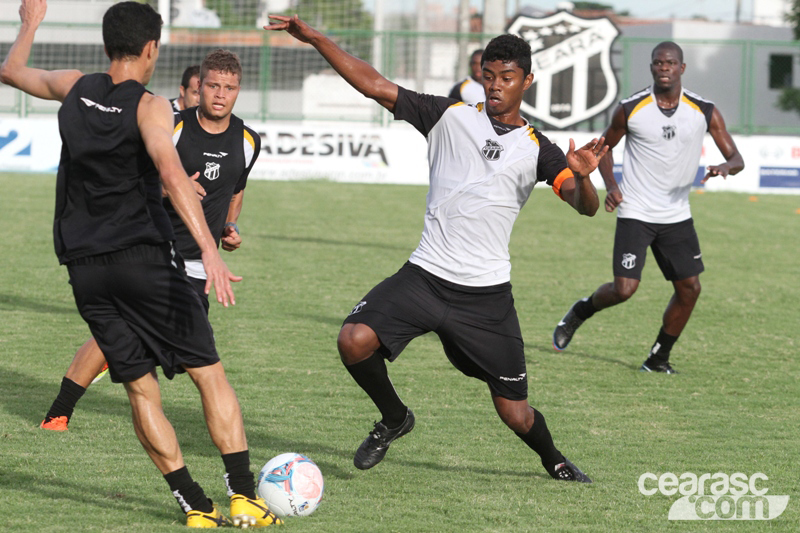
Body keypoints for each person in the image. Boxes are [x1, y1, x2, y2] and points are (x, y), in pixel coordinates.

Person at [265, 15, 608, 482]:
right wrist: (315, 38)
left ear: (527, 81)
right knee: (353, 339)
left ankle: (555, 460)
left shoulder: (539, 149)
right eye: (489, 75)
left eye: (507, 78)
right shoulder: (449, 116)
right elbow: (374, 85)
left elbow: (584, 206)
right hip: (425, 277)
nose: (495, 85)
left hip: (485, 297)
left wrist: (584, 178)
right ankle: (394, 418)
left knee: (515, 413)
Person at [0, 1, 278, 528]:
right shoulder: (150, 107)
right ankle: (244, 495)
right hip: (144, 260)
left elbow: (11, 71)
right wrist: (210, 248)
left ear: (108, 44)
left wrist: (30, 23)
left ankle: (195, 505)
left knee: (139, 387)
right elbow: (172, 174)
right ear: (152, 48)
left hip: (84, 267)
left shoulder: (74, 86)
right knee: (208, 374)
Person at [40, 49, 260, 433]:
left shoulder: (248, 141)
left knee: (148, 343)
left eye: (229, 88)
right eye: (212, 86)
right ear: (199, 87)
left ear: (239, 90)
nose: (220, 95)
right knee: (140, 339)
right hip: (155, 252)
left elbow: (236, 189)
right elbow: (132, 179)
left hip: (200, 267)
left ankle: (79, 397)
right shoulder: (171, 126)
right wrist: (171, 186)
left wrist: (229, 225)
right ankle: (59, 412)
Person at [552, 41, 744, 374]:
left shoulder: (704, 110)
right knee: (624, 290)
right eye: (658, 62)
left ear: (682, 68)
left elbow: (736, 157)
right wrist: (612, 186)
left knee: (690, 289)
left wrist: (726, 167)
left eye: (670, 63)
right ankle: (581, 311)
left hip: (677, 214)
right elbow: (602, 149)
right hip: (636, 211)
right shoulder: (630, 108)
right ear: (652, 67)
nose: (664, 67)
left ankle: (657, 359)